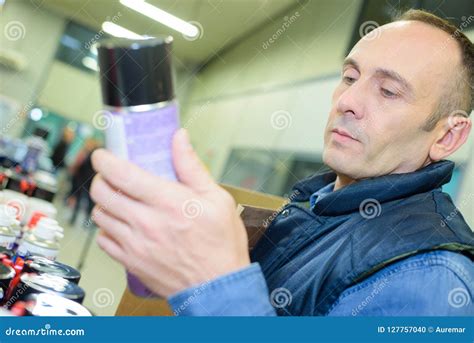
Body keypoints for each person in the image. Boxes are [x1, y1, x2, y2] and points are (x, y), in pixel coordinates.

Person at [90, 9, 474, 316]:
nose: (347, 101)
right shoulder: (313, 207)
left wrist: (217, 284)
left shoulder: (430, 278)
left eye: (388, 91)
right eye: (349, 76)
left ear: (447, 137)